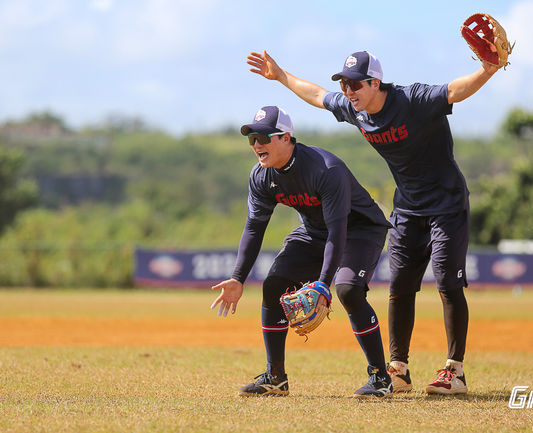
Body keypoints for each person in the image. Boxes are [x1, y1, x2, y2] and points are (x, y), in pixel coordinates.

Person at [246, 50, 501, 395]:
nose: (348, 91)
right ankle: (399, 370)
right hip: (408, 207)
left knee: (447, 284)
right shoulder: (356, 110)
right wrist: (280, 75)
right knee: (399, 287)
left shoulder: (412, 99)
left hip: (447, 203)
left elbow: (453, 91)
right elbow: (318, 96)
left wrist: (488, 69)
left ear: (375, 83)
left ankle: (454, 371)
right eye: (345, 84)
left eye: (354, 84)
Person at [210, 105, 394, 398]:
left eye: (263, 137)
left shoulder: (324, 169)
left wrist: (322, 283)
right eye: (252, 139)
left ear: (286, 137)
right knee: (273, 286)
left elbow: (338, 231)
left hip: (359, 230)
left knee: (348, 290)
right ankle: (276, 377)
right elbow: (255, 228)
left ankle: (380, 377)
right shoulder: (262, 176)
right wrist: (237, 277)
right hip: (314, 231)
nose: (257, 145)